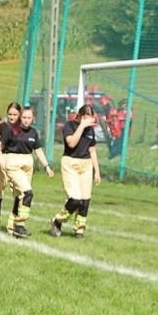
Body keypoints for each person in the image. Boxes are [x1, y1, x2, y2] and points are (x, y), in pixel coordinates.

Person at [0, 102, 52, 238]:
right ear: (20, 118)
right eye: (24, 117)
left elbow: (38, 150)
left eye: (29, 118)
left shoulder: (33, 132)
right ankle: (20, 224)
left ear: (33, 118)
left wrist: (46, 166)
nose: (26, 120)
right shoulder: (11, 131)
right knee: (27, 193)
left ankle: (13, 227)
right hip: (13, 163)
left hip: (27, 164)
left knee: (19, 197)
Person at [52, 102, 101, 238]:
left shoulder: (90, 130)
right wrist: (82, 126)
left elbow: (92, 150)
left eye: (90, 117)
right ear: (79, 116)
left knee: (85, 200)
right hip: (70, 163)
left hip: (86, 164)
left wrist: (97, 171)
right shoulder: (70, 126)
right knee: (75, 199)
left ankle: (79, 229)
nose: (89, 120)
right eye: (86, 117)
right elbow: (71, 143)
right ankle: (57, 220)